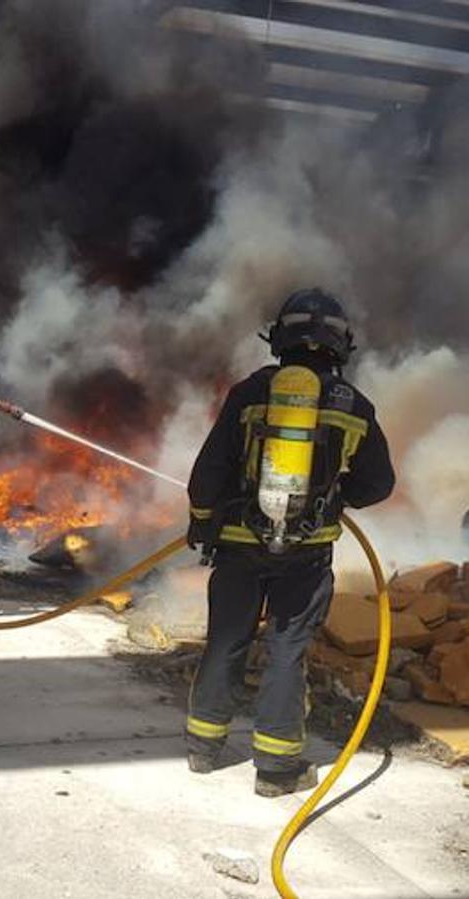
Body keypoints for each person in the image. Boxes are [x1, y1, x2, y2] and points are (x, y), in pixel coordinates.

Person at [183, 288, 395, 796]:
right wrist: (337, 495)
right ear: (341, 345)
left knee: (227, 641)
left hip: (239, 545)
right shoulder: (354, 406)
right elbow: (379, 484)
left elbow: (208, 472)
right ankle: (276, 771)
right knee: (286, 650)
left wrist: (203, 523)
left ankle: (202, 749)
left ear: (280, 338)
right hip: (306, 553)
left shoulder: (250, 393)